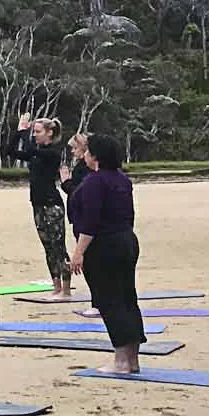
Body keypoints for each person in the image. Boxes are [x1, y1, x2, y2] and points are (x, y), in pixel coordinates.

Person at [70, 135, 145, 373]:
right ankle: (131, 359)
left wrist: (78, 252)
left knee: (110, 301)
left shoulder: (95, 181)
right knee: (126, 299)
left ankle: (121, 361)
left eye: (88, 151)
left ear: (95, 156)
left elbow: (91, 222)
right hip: (126, 240)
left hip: (104, 245)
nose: (84, 155)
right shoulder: (122, 180)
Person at [12, 114, 72, 296]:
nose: (35, 135)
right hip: (37, 204)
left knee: (58, 246)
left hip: (52, 205)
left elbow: (30, 149)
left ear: (50, 133)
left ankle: (66, 289)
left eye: (37, 132)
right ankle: (56, 287)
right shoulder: (36, 154)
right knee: (47, 246)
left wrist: (23, 132)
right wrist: (18, 132)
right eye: (34, 131)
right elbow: (10, 151)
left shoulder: (52, 153)